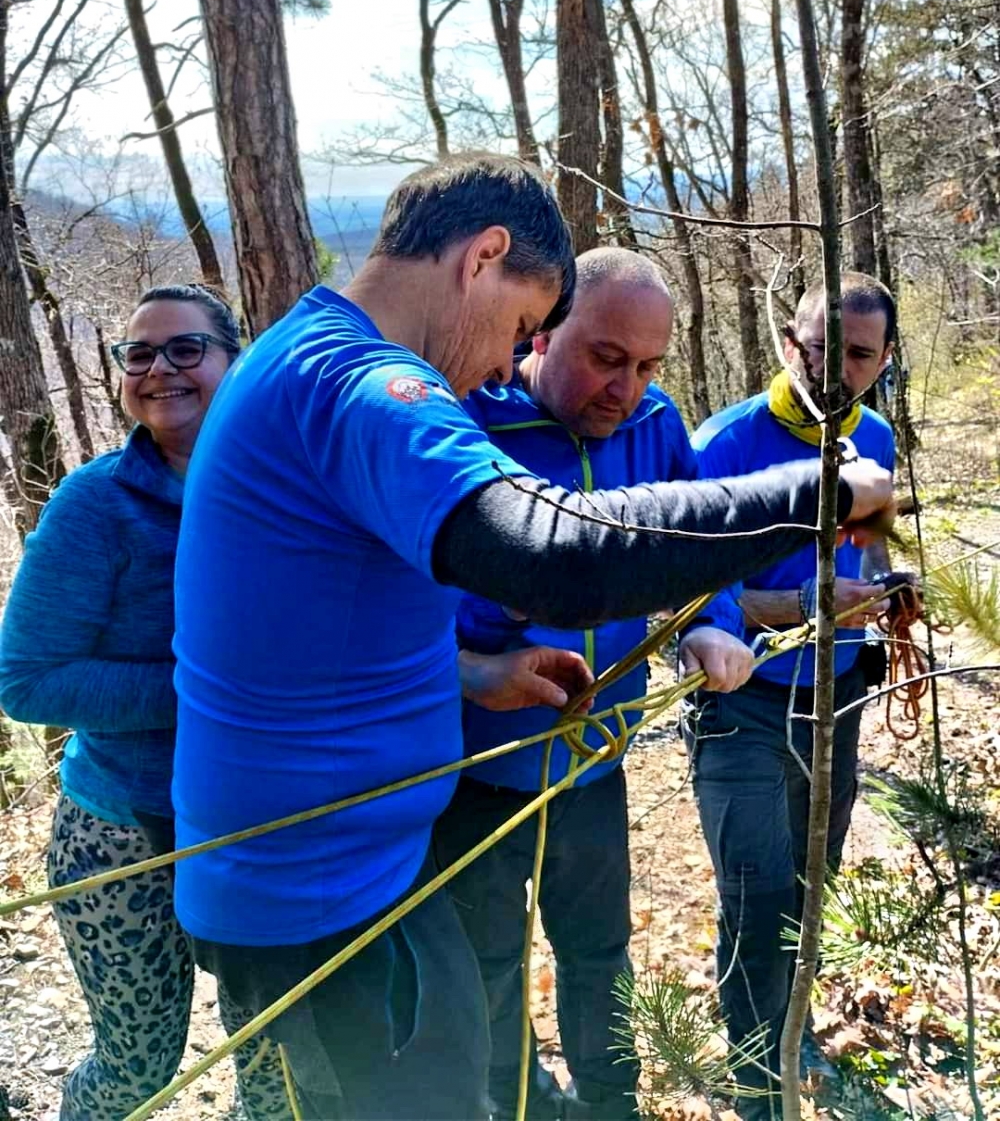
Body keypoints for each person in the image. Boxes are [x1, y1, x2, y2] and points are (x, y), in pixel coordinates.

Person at [170, 154, 896, 1121]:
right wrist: (817, 494)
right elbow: (554, 553)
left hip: (356, 866)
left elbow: (324, 618)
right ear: (484, 257)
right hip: (317, 890)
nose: (504, 365)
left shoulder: (307, 356)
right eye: (520, 328)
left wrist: (470, 673)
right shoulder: (362, 383)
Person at [434, 248, 756, 1121]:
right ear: (542, 332)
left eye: (648, 365)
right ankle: (520, 1106)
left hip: (593, 763)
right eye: (606, 358)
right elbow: (407, 588)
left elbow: (700, 545)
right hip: (474, 769)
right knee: (489, 965)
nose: (627, 389)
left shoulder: (656, 424)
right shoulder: (467, 420)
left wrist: (707, 622)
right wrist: (494, 622)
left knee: (599, 952)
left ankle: (612, 1105)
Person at [0, 286, 293, 1121]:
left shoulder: (288, 488)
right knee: (137, 1068)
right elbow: (25, 679)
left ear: (235, 361)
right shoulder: (95, 505)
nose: (160, 367)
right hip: (122, 833)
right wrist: (210, 693)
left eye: (186, 348)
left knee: (275, 1061)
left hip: (260, 823)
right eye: (140, 353)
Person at [688, 272, 903, 1120]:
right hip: (739, 701)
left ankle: (790, 1033)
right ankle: (755, 1081)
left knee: (817, 878)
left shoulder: (874, 437)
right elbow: (691, 605)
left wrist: (890, 590)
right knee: (756, 889)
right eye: (820, 348)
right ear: (789, 343)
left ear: (883, 361)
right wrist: (809, 604)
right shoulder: (722, 447)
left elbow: (870, 547)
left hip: (837, 694)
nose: (836, 369)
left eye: (859, 355)